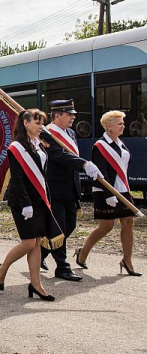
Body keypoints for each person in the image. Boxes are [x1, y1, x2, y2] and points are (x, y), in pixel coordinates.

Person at [0, 109, 62, 301]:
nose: (41, 126)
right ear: (25, 123)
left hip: (39, 199)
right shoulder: (17, 147)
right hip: (23, 201)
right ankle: (2, 269)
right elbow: (18, 178)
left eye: (42, 123)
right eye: (37, 123)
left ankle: (36, 285)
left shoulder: (39, 145)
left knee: (37, 242)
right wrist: (25, 204)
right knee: (28, 242)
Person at [39, 100, 102, 280]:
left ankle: (42, 252)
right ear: (57, 115)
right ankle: (62, 267)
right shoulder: (46, 133)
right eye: (69, 114)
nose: (73, 117)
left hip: (71, 186)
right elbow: (58, 155)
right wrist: (83, 164)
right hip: (55, 186)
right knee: (59, 226)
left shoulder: (71, 133)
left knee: (70, 225)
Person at [74, 111, 141, 277]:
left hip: (122, 190)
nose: (123, 126)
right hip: (106, 191)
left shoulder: (120, 143)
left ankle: (127, 260)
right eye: (119, 123)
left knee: (128, 222)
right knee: (106, 226)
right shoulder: (100, 146)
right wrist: (109, 193)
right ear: (109, 126)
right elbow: (101, 171)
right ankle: (82, 253)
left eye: (123, 123)